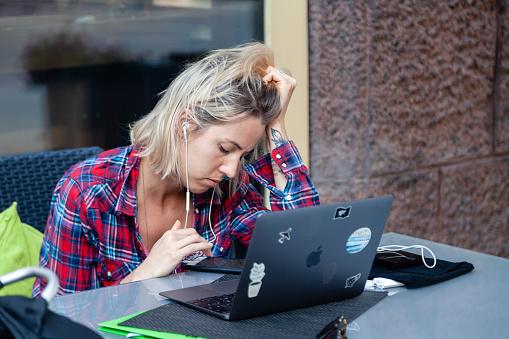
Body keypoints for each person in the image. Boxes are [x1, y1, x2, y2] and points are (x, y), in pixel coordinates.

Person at [33, 42, 320, 296]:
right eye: (224, 148)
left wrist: (276, 127)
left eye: (243, 155)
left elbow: (300, 252)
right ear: (185, 122)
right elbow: (54, 318)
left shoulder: (228, 189)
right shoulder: (88, 191)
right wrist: (144, 276)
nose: (232, 170)